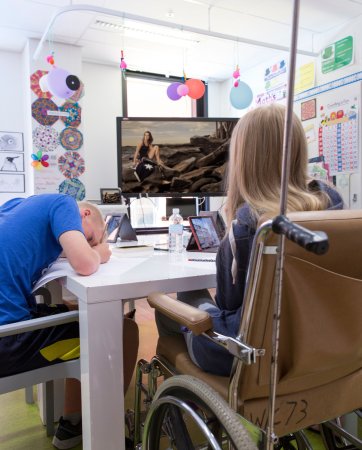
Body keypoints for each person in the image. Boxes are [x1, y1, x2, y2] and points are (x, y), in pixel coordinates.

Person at [155, 103, 344, 377]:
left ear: (244, 157)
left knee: (177, 301)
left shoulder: (250, 221)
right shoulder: (332, 201)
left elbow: (227, 303)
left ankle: (183, 408)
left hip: (242, 357)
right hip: (319, 347)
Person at [0, 194, 136, 449]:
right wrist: (100, 252)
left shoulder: (16, 204)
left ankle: (72, 423)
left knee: (73, 312)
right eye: (89, 239)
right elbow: (85, 264)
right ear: (83, 215)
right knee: (121, 330)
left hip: (8, 328)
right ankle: (106, 432)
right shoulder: (64, 204)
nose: (88, 244)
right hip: (8, 341)